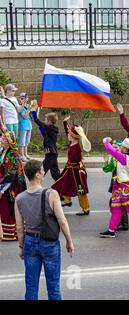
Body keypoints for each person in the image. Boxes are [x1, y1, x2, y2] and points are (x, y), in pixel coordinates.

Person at [14, 159, 74, 300]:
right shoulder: (51, 194)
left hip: (29, 242)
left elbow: (19, 227)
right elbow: (62, 221)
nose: (43, 172)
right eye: (42, 171)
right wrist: (69, 241)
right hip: (49, 243)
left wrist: (21, 247)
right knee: (53, 285)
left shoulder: (19, 198)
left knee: (31, 285)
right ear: (37, 175)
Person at [51, 116, 91, 216]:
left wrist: (71, 164)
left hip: (77, 171)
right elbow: (67, 131)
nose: (68, 134)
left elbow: (76, 161)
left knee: (80, 190)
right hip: (69, 169)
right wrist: (64, 122)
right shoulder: (71, 142)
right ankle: (67, 200)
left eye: (69, 134)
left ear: (74, 136)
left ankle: (85, 208)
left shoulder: (76, 148)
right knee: (63, 183)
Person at [0, 127, 27, 241]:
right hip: (4, 182)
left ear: (8, 141)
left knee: (8, 208)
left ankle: (9, 233)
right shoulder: (3, 151)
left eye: (3, 139)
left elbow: (11, 175)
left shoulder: (13, 155)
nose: (1, 140)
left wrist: (1, 189)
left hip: (12, 186)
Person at [102, 139, 129, 231]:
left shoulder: (123, 157)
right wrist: (106, 162)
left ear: (121, 148)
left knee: (119, 203)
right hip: (115, 182)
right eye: (113, 147)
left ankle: (123, 223)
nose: (114, 149)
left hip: (122, 182)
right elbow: (107, 169)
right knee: (117, 203)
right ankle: (120, 222)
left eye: (116, 147)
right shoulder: (113, 158)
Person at [30, 106, 60, 181]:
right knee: (55, 173)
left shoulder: (48, 128)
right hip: (51, 153)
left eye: (46, 119)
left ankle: (35, 185)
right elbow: (45, 135)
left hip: (51, 154)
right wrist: (41, 128)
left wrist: (33, 110)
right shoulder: (51, 128)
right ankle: (61, 185)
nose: (44, 120)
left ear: (49, 121)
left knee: (42, 170)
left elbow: (36, 120)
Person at [17, 93, 33, 162]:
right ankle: (22, 155)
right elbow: (25, 116)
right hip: (23, 125)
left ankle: (25, 154)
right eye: (22, 97)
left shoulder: (28, 105)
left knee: (27, 141)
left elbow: (32, 116)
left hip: (29, 125)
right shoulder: (20, 107)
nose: (24, 99)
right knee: (22, 141)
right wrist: (29, 109)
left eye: (25, 97)